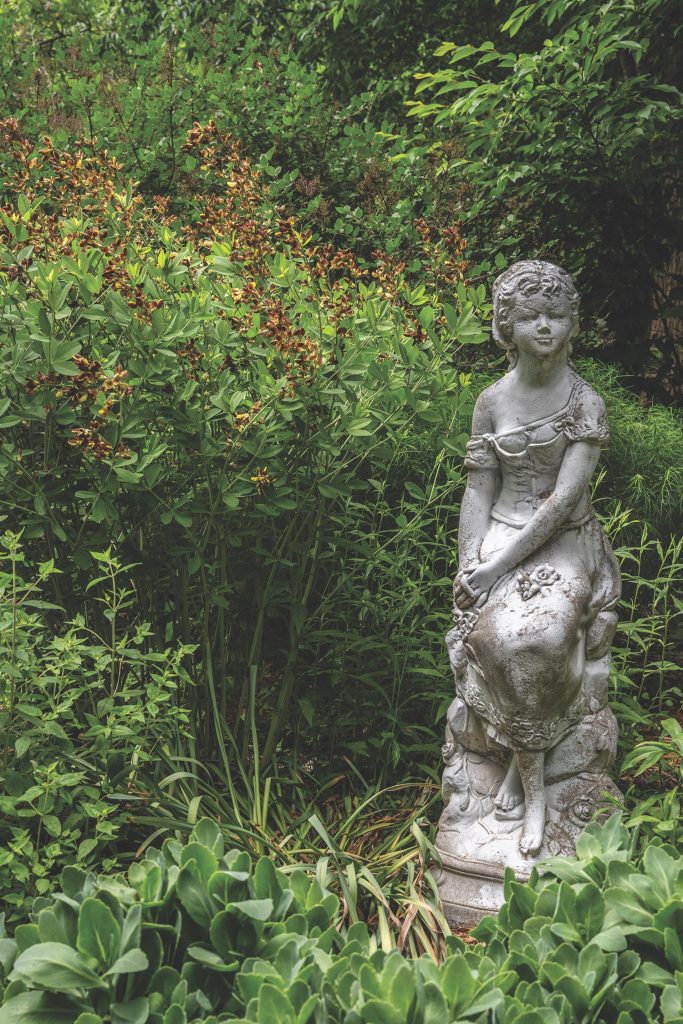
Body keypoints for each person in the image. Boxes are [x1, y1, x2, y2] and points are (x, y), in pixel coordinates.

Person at [450, 260, 620, 856]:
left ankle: (535, 793)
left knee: (540, 640)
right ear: (507, 326)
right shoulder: (491, 401)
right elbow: (479, 489)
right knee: (488, 635)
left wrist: (495, 569)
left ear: (573, 322)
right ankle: (523, 771)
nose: (544, 326)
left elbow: (565, 499)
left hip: (563, 541)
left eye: (555, 315)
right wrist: (469, 561)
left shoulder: (584, 401)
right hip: (499, 537)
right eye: (530, 317)